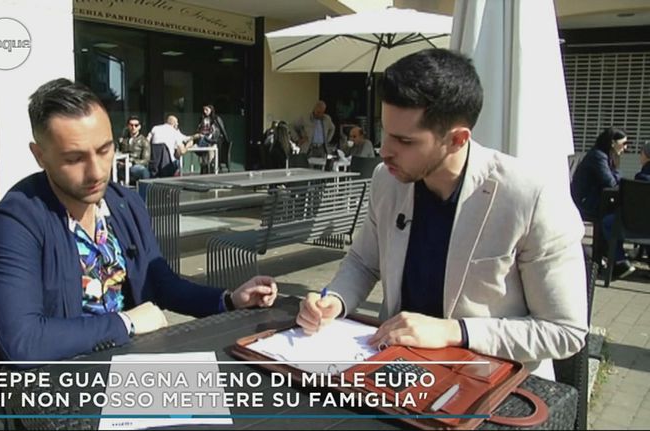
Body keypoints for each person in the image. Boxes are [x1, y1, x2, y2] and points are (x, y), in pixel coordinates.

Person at [295, 49, 587, 379]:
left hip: (490, 384)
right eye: (385, 131)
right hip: (394, 370)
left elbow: (565, 331)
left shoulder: (531, 196)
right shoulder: (386, 180)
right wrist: (334, 300)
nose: (384, 150)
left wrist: (455, 331)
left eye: (404, 140)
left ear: (457, 139)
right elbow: (363, 262)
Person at [0, 78, 278, 362]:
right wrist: (127, 323)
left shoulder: (124, 203)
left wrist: (228, 300)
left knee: (237, 387)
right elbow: (22, 342)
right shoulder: (17, 220)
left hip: (135, 366)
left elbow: (160, 282)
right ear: (39, 156)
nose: (97, 172)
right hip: (64, 380)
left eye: (104, 150)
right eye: (74, 159)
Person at [571, 127, 634, 279]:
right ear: (612, 143)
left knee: (614, 216)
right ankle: (614, 258)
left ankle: (612, 257)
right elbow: (610, 182)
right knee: (611, 218)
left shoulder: (605, 156)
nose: (625, 148)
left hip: (596, 200)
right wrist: (617, 174)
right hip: (585, 202)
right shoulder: (598, 156)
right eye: (623, 144)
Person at [194, 105, 229, 174]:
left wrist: (224, 141)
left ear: (211, 110)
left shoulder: (216, 119)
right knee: (203, 157)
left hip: (212, 140)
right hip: (203, 139)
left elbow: (221, 130)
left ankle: (210, 169)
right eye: (204, 110)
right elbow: (199, 129)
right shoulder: (202, 118)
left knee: (211, 156)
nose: (205, 111)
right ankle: (204, 169)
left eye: (207, 110)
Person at [117, 116, 150, 183]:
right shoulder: (123, 139)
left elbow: (146, 160)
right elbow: (118, 152)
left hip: (134, 165)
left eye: (136, 125)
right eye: (131, 125)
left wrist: (132, 162)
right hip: (121, 165)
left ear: (139, 127)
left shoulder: (144, 141)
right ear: (128, 126)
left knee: (143, 171)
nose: (133, 127)